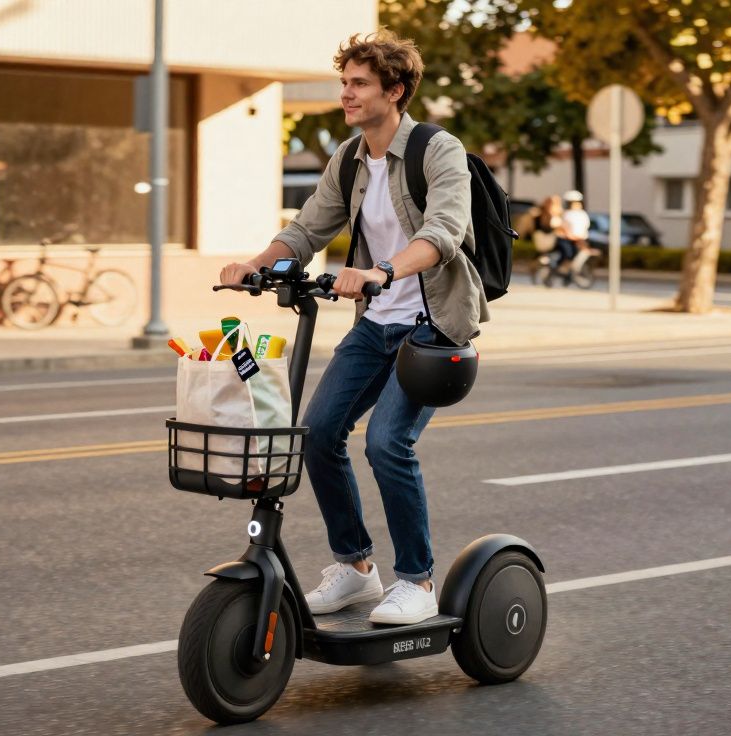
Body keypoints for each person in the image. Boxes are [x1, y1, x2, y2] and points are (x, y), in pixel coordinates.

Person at [220, 30, 484, 626]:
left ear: (395, 90)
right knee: (316, 434)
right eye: (344, 82)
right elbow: (307, 228)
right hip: (376, 325)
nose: (347, 93)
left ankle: (416, 581)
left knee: (388, 442)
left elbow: (443, 233)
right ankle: (357, 570)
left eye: (359, 83)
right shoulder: (350, 156)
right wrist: (253, 266)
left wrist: (380, 270)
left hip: (432, 326)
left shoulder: (437, 151)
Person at [549, 189, 591, 284]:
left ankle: (569, 274)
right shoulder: (566, 214)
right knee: (568, 254)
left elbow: (584, 228)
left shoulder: (582, 214)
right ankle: (558, 269)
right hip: (566, 239)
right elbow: (564, 228)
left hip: (577, 239)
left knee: (576, 256)